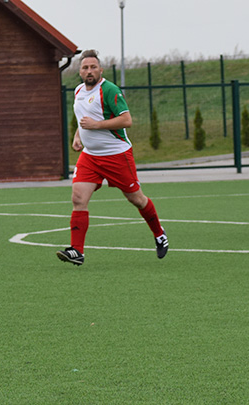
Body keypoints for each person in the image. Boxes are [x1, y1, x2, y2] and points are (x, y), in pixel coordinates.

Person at [57, 49, 168, 265]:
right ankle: (76, 252)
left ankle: (159, 234)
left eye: (93, 67)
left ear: (101, 70)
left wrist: (96, 126)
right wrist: (78, 135)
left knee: (136, 199)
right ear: (79, 71)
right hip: (90, 157)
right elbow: (84, 118)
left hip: (116, 155)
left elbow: (126, 120)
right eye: (85, 67)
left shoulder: (109, 90)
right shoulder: (79, 91)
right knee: (78, 198)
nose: (89, 71)